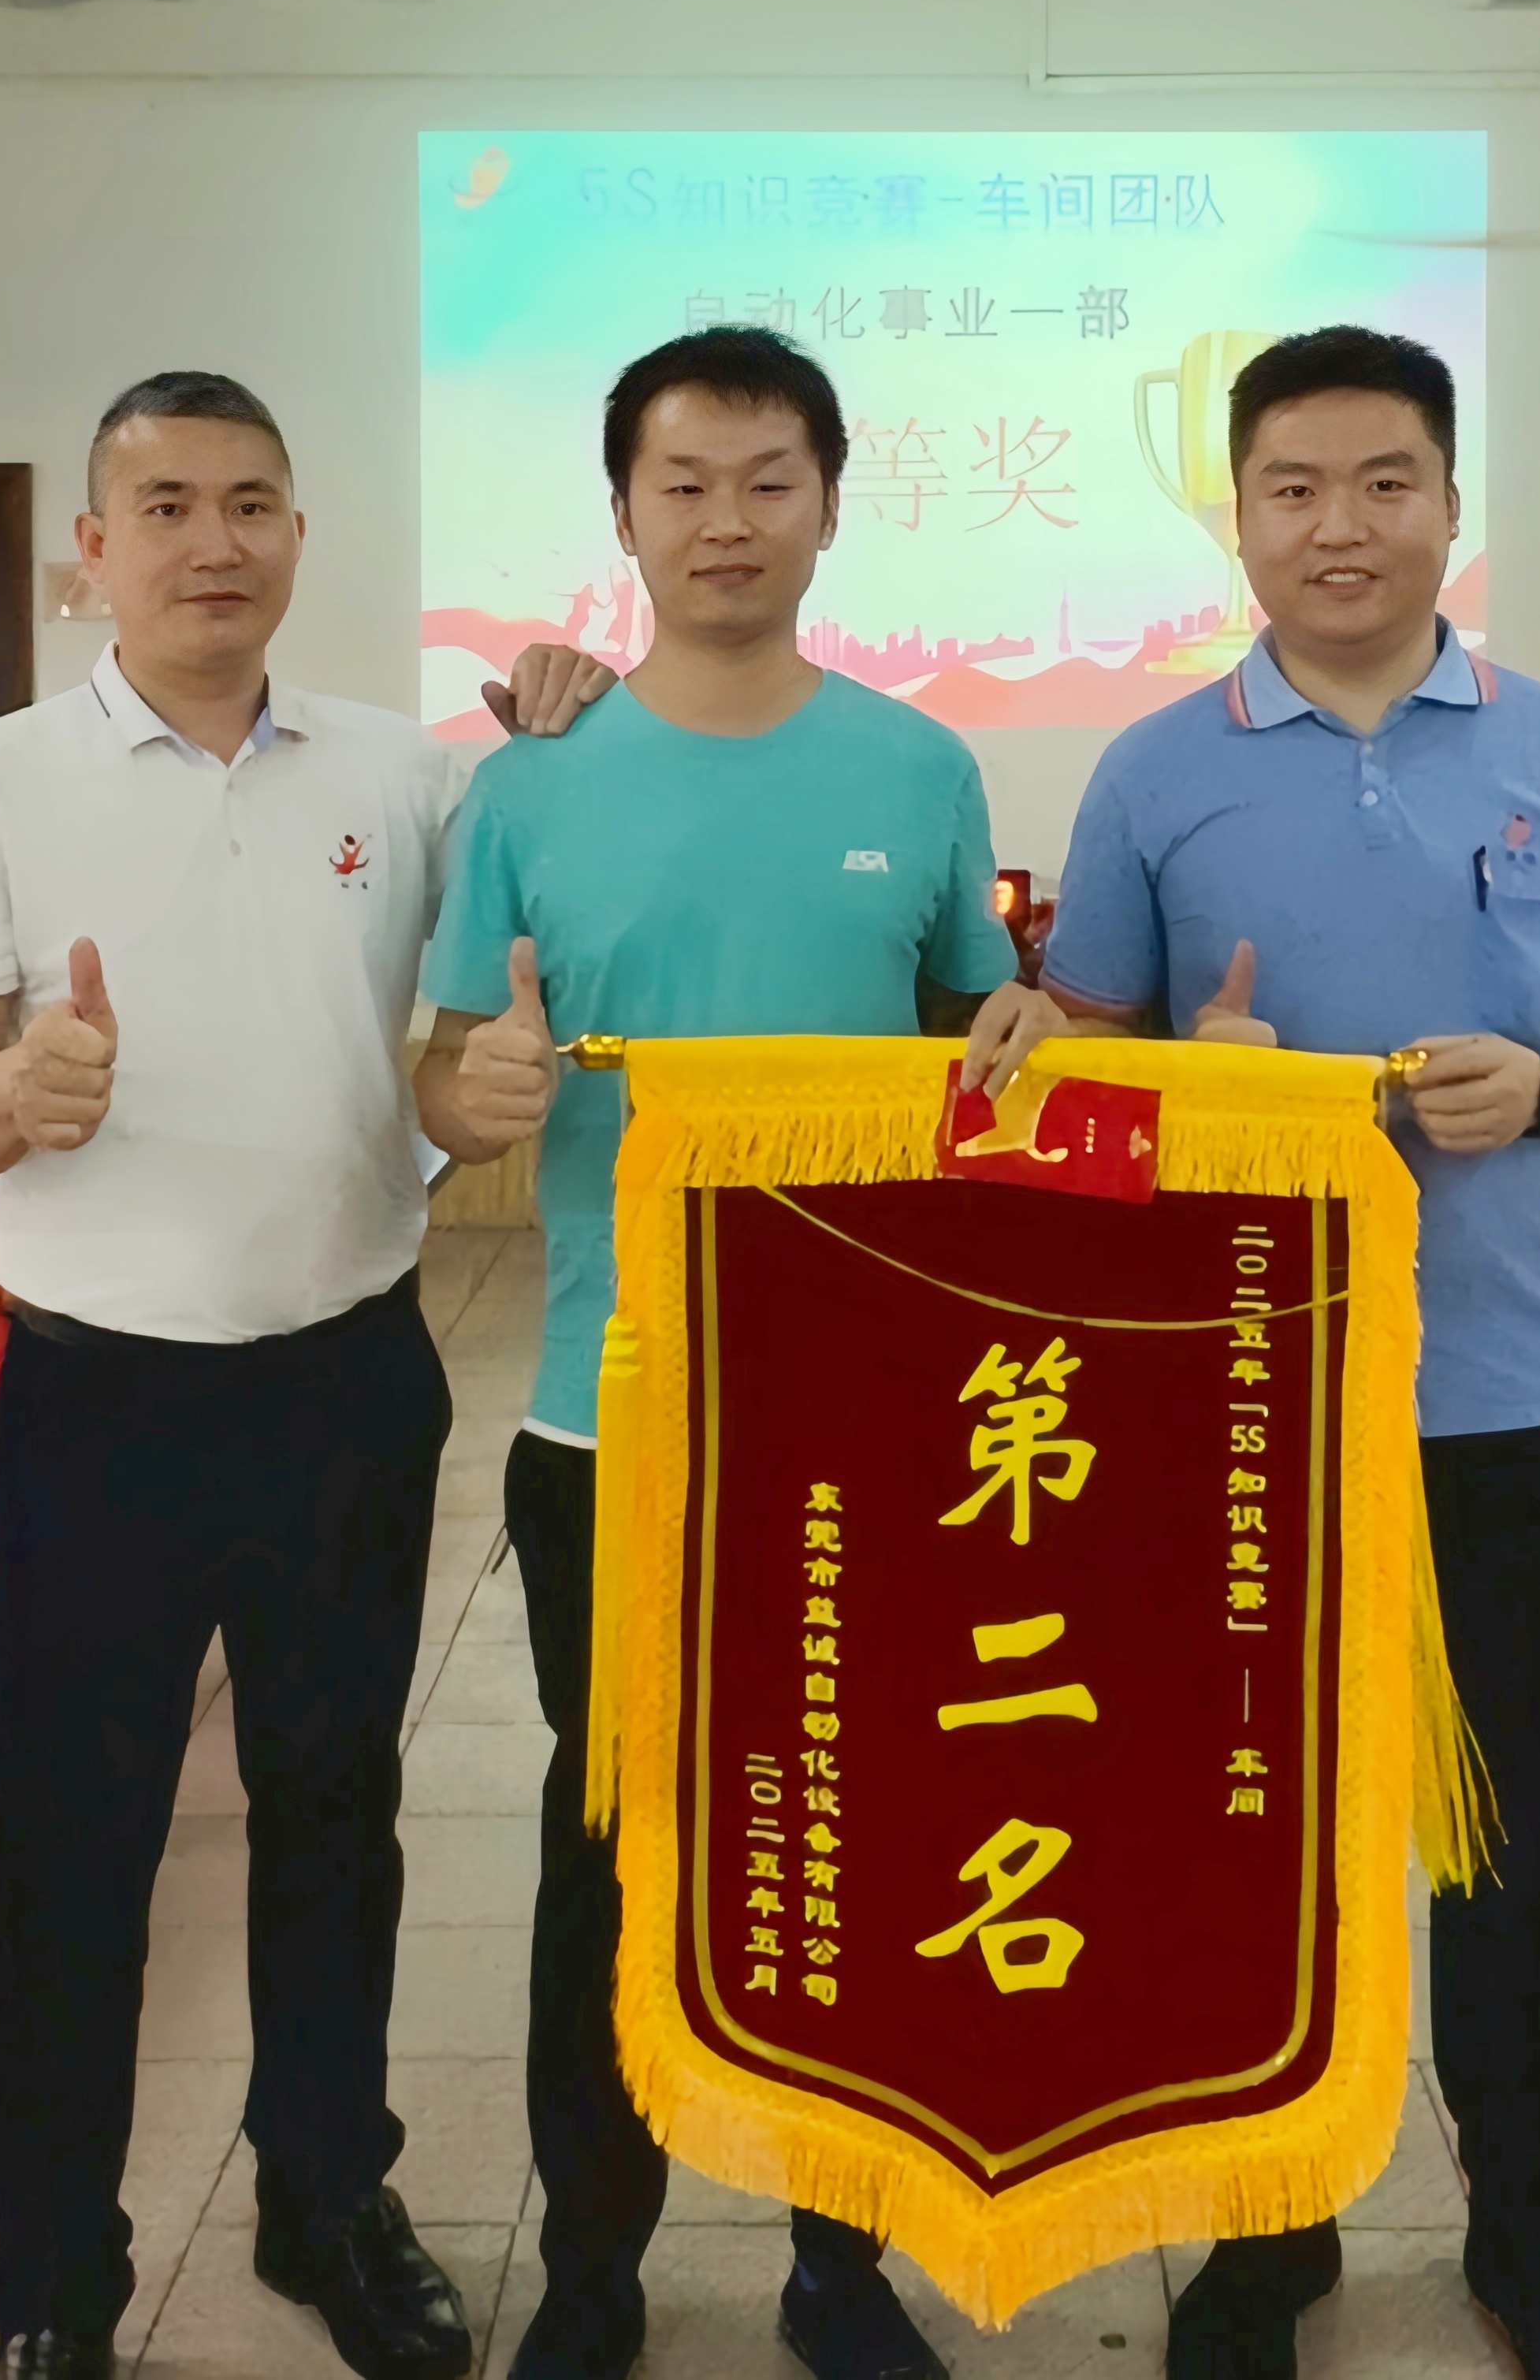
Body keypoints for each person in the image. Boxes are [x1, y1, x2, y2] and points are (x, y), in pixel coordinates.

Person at [1039, 327, 1540, 2380]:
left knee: (1505, 1836)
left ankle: (1535, 2228)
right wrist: (1194, 1082)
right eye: (1293, 487)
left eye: (1383, 480)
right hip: (1232, 1410)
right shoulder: (1153, 770)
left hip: (1505, 1401)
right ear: (1238, 515)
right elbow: (1075, 1066)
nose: (1338, 525)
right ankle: (1268, 2231)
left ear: (1448, 501)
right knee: (1251, 1837)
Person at [414, 326, 1062, 2380]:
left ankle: (835, 2265)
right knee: (610, 1845)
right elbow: (447, 1072)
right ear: (622, 513)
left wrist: (1032, 1034)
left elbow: (980, 1039)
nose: (726, 519)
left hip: (869, 1413)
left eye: (768, 478)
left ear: (831, 506)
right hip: (606, 1415)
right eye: (683, 482)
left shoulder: (918, 770)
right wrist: (467, 1094)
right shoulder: (529, 785)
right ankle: (593, 2267)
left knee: (857, 1843)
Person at [0, 371, 477, 2380]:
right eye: (166, 507)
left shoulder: (401, 774)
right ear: (93, 549)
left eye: (252, 504)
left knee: (336, 1815)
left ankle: (325, 2199)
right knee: (76, 1849)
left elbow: (451, 1046)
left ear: (298, 533)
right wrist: (13, 1091)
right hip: (100, 1403)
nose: (214, 543)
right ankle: (55, 2272)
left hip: (349, 1380)